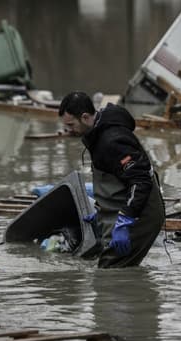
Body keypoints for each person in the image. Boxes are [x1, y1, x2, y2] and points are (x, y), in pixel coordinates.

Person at [58, 91, 165, 268]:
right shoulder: (95, 134)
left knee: (110, 272)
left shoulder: (113, 141)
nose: (68, 130)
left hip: (141, 213)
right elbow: (115, 181)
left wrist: (125, 221)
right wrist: (101, 213)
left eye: (71, 124)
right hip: (121, 210)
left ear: (85, 117)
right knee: (115, 268)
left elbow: (140, 180)